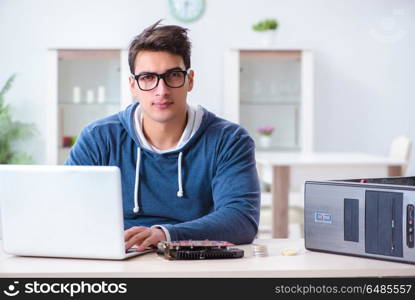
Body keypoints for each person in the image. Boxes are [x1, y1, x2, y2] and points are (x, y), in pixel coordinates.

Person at [65, 20, 260, 251]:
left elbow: (241, 220)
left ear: (190, 80)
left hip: (195, 262)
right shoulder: (99, 138)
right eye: (148, 77)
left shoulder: (229, 140)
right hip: (118, 260)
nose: (162, 90)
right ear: (133, 86)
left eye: (174, 75)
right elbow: (67, 209)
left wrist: (166, 234)